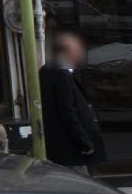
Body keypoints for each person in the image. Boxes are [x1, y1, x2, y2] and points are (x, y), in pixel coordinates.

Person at [40, 31, 107, 172]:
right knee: (80, 180)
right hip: (70, 149)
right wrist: (85, 143)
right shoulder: (62, 75)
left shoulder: (46, 71)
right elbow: (68, 112)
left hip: (59, 147)